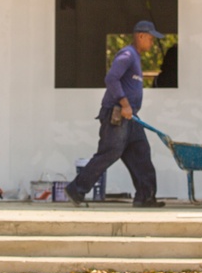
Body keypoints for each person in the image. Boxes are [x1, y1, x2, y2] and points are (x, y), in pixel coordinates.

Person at [66, 20, 165, 208]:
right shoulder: (127, 55)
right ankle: (76, 190)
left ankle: (145, 197)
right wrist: (125, 104)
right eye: (151, 38)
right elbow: (111, 78)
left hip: (130, 117)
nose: (152, 43)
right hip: (117, 115)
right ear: (141, 36)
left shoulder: (135, 57)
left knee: (141, 152)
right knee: (109, 153)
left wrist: (130, 109)